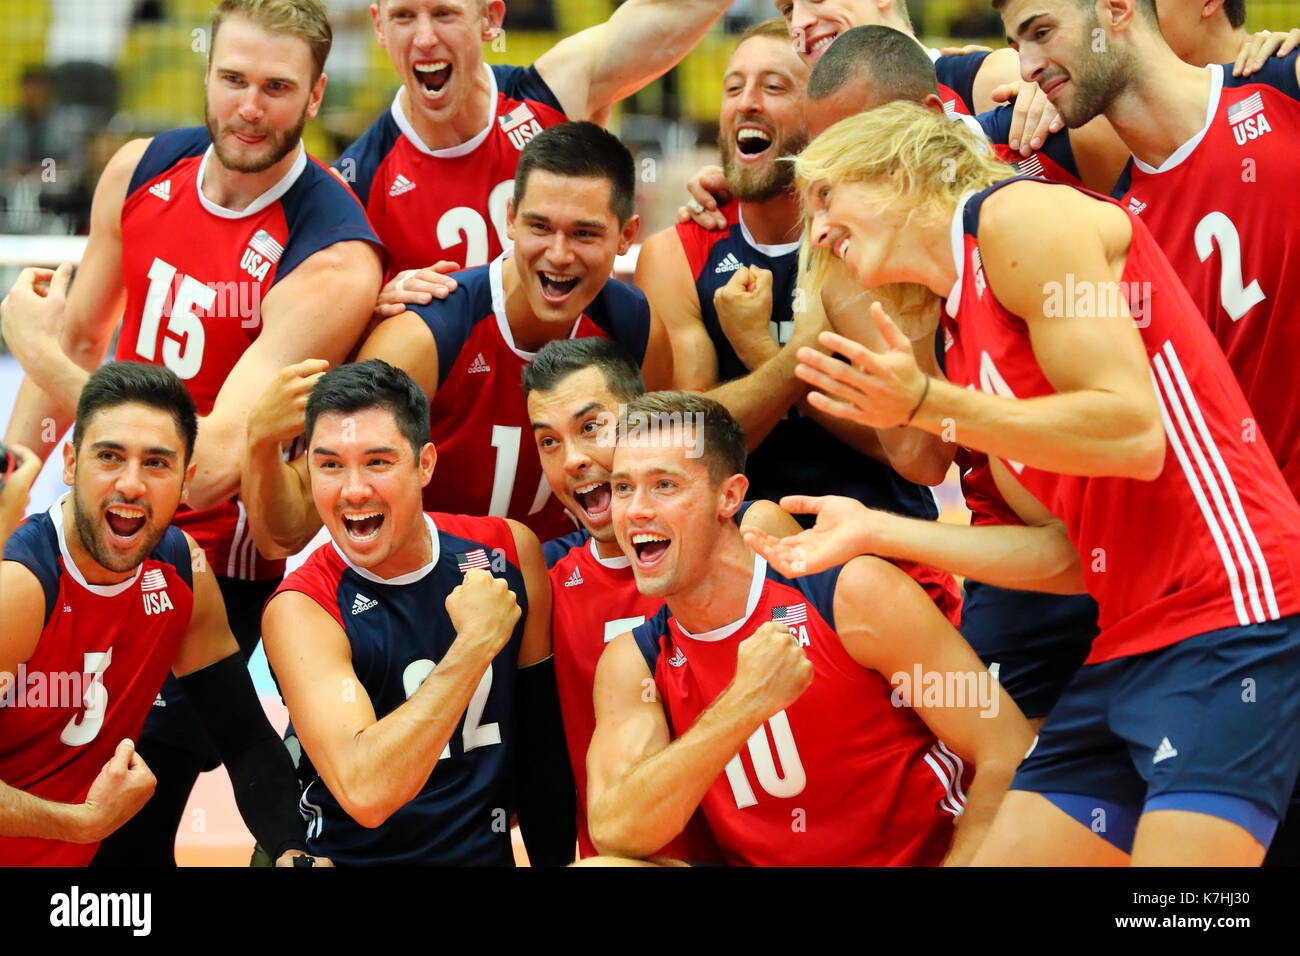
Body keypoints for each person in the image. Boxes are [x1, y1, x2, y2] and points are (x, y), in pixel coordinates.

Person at [766, 102, 1300, 865]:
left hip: (1233, 612)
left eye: (826, 198)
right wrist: (876, 531)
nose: (816, 233)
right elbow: (1068, 557)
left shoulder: (1016, 217)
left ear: (897, 167)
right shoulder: (961, 332)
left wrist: (927, 404)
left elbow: (1131, 432)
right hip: (1126, 640)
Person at [0, 0, 384, 867]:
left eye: (277, 88)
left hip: (212, 568)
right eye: (234, 80)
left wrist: (37, 354)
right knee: (44, 778)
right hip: (91, 536)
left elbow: (206, 468)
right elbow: (81, 341)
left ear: (317, 94)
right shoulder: (142, 166)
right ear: (207, 73)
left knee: (134, 815)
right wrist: (13, 478)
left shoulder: (332, 253)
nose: (250, 106)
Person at [581, 391, 1032, 866]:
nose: (634, 511)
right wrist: (744, 703)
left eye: (664, 486)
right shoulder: (637, 660)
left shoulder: (849, 594)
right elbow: (615, 831)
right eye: (624, 488)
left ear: (729, 496)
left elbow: (1008, 753)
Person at [637, 21, 963, 622]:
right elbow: (687, 449)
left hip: (886, 555)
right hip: (743, 574)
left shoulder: (876, 240)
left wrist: (762, 350)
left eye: (774, 86)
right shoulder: (677, 253)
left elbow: (915, 454)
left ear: (821, 121)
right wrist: (796, 358)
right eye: (733, 87)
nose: (746, 102)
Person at [244, 121, 678, 555]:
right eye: (540, 227)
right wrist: (262, 445)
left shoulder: (637, 331)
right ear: (510, 219)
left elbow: (660, 478)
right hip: (430, 597)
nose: (559, 254)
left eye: (584, 233)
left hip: (563, 595)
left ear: (626, 235)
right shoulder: (421, 340)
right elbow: (287, 531)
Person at [0, 360, 314, 866]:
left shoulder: (181, 570)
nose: (131, 484)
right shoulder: (22, 585)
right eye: (110, 457)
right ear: (71, 465)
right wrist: (80, 822)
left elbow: (245, 738)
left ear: (187, 481)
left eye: (156, 463)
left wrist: (293, 850)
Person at [261, 359, 571, 866]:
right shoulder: (301, 607)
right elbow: (367, 793)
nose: (353, 489)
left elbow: (541, 752)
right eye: (330, 464)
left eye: (378, 462)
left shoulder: (507, 551)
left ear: (424, 463)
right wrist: (474, 644)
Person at [524, 336, 800, 859]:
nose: (575, 459)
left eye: (591, 427)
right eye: (549, 442)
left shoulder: (753, 535)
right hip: (634, 849)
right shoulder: (546, 578)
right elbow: (539, 754)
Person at [344, 0, 738, 316]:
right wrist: (371, 309)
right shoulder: (355, 181)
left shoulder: (551, 94)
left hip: (574, 391)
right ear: (378, 25)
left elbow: (677, 9)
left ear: (490, 18)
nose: (425, 38)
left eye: (444, 14)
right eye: (404, 16)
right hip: (448, 406)